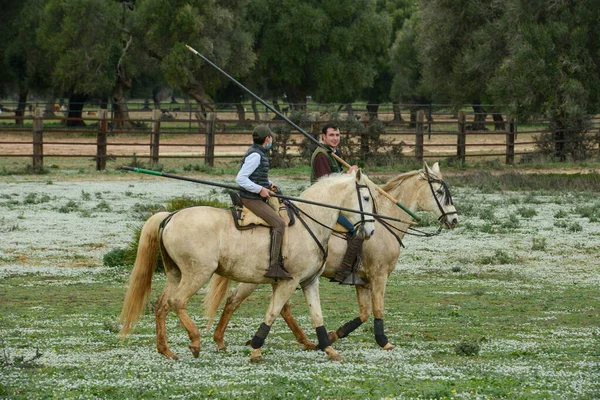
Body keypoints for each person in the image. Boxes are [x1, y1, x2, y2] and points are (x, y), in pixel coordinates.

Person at [310, 123, 365, 285]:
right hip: (324, 204)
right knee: (354, 229)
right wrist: (347, 175)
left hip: (335, 202)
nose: (335, 138)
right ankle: (344, 271)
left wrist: (350, 174)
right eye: (331, 135)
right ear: (323, 137)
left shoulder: (333, 152)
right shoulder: (321, 155)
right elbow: (326, 183)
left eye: (337, 135)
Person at [236, 125, 292, 280]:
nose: (272, 140)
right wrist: (260, 189)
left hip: (256, 195)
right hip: (251, 198)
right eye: (271, 137)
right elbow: (240, 178)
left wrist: (269, 183)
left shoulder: (259, 153)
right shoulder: (256, 155)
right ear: (267, 139)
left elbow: (257, 174)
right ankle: (274, 266)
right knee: (279, 223)